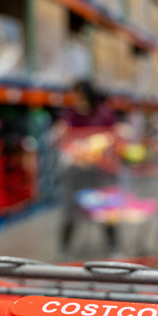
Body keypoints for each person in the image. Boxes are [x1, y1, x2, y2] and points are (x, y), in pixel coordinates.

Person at [56, 81, 120, 258]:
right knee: (70, 210)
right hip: (76, 170)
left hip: (100, 170)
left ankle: (114, 246)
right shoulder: (70, 115)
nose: (76, 99)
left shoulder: (103, 113)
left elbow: (114, 133)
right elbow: (62, 132)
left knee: (106, 208)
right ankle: (64, 249)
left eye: (79, 95)